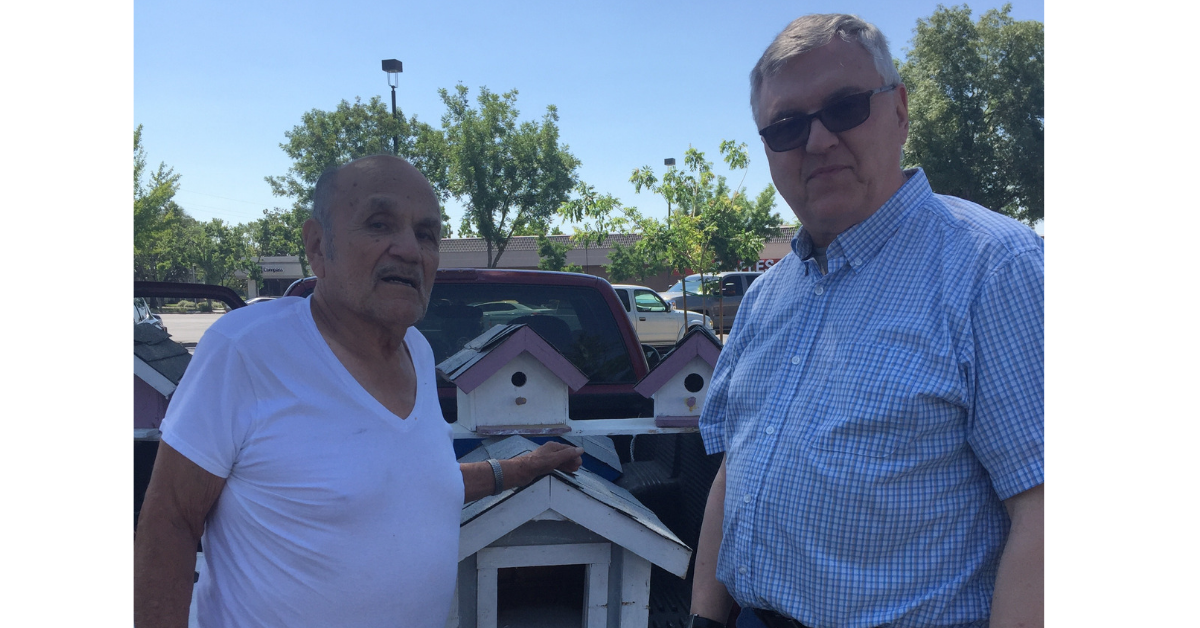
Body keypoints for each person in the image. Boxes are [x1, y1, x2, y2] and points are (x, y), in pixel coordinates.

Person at [688, 14, 1043, 628]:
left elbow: (1048, 515)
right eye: (787, 127)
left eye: (846, 107)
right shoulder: (765, 298)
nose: (818, 141)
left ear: (901, 110)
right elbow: (733, 469)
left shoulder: (996, 271)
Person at [133, 155, 584, 627]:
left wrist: (521, 468)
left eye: (427, 234)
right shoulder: (247, 349)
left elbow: (410, 484)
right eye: (379, 224)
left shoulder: (418, 350)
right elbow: (170, 523)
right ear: (316, 246)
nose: (410, 250)